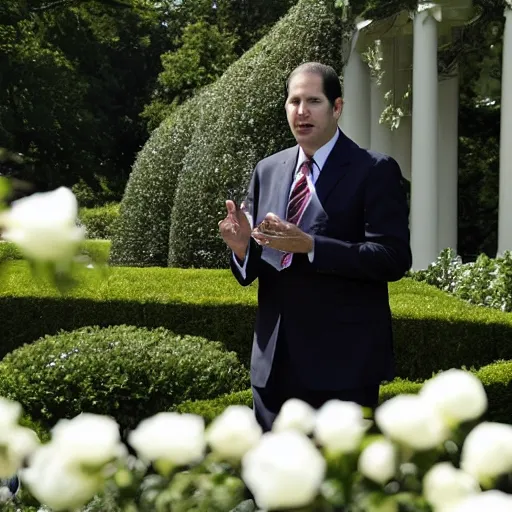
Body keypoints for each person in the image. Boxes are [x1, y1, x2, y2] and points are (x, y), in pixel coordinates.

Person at [218, 62, 412, 432]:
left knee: (336, 488)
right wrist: (242, 248)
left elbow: (393, 258)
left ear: (337, 107)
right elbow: (258, 267)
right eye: (294, 101)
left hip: (343, 368)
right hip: (272, 366)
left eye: (313, 101)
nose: (301, 111)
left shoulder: (374, 170)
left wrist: (312, 246)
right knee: (271, 485)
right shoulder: (268, 169)